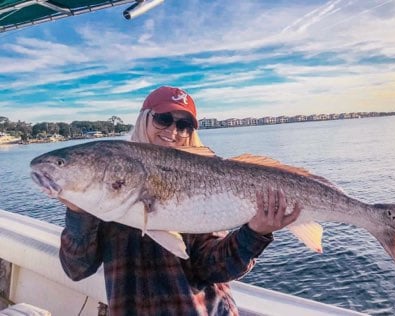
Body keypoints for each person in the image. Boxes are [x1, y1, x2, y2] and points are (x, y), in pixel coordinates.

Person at [59, 86, 302, 315]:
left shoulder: (205, 176)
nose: (173, 131)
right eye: (163, 119)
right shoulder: (109, 179)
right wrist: (78, 214)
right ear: (144, 118)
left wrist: (255, 233)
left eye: (184, 125)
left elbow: (213, 268)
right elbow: (77, 269)